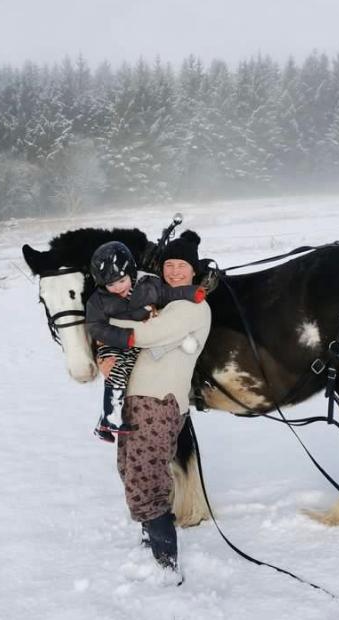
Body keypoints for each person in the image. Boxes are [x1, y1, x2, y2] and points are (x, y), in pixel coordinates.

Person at [99, 230, 211, 578]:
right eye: (169, 265)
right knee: (132, 472)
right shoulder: (161, 301)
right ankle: (152, 545)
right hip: (137, 400)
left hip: (159, 402)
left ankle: (166, 567)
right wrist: (106, 351)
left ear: (193, 270)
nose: (174, 271)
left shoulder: (192, 306)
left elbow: (145, 335)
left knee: (147, 480)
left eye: (182, 266)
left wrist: (101, 321)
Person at [86, 240, 205, 442]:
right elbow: (95, 326)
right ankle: (110, 419)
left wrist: (192, 292)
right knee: (118, 374)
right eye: (111, 285)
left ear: (131, 274)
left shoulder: (148, 285)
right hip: (114, 343)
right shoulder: (98, 300)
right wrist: (124, 336)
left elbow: (168, 293)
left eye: (121, 281)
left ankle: (105, 422)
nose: (117, 288)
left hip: (137, 352)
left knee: (124, 377)